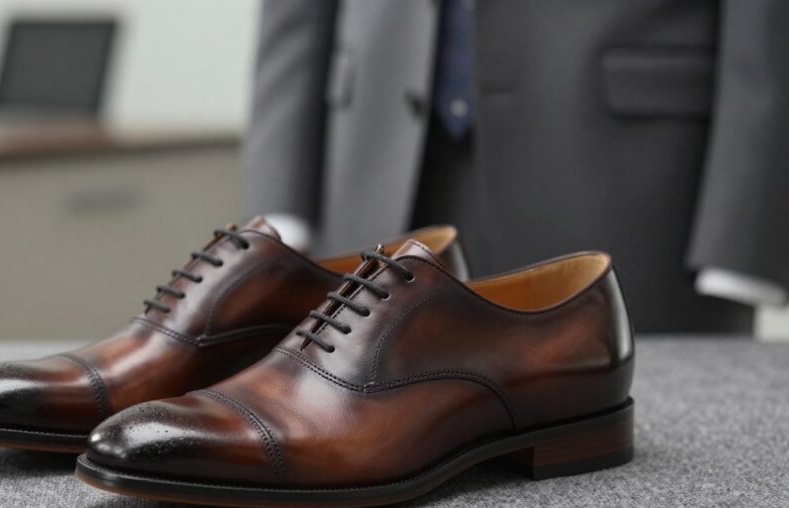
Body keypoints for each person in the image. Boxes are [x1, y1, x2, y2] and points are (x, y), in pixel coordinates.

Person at [242, 0, 789, 333]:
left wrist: (748, 227)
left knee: (647, 497)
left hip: (635, 188)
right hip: (372, 167)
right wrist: (283, 198)